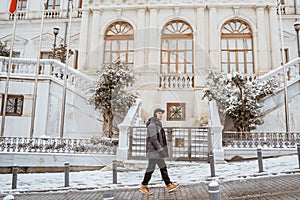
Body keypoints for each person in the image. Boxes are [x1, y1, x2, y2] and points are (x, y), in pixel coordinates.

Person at [140, 108, 180, 195]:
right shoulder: (152, 125)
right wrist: (160, 149)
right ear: (155, 114)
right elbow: (154, 139)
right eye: (158, 113)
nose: (160, 115)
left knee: (162, 167)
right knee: (151, 168)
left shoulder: (158, 124)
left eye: (161, 113)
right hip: (154, 151)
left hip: (157, 151)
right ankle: (144, 185)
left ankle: (169, 184)